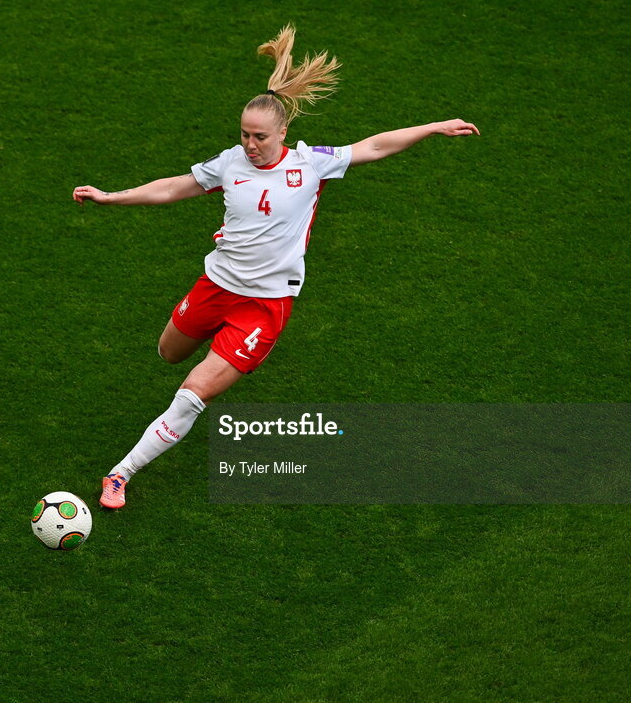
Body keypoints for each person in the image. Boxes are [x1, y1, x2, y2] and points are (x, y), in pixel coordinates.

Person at [73, 25, 479, 509]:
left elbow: (373, 146)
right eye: (244, 134)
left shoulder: (310, 164)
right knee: (169, 353)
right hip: (216, 284)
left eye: (260, 136)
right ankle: (180, 379)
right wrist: (111, 197)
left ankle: (120, 474)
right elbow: (174, 187)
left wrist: (433, 127)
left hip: (264, 305)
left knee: (192, 392)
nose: (250, 144)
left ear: (282, 133)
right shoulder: (229, 163)